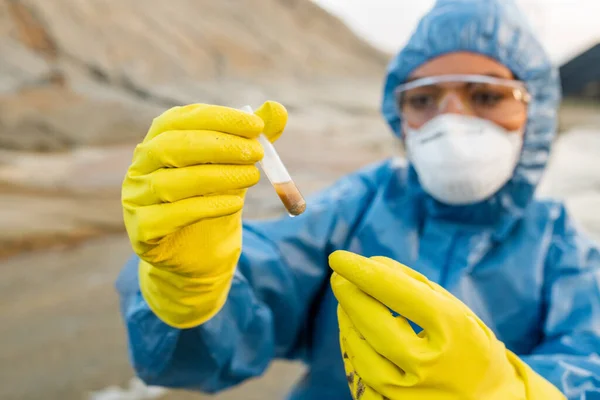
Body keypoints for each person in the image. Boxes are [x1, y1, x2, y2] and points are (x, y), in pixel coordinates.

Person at [116, 0, 600, 399]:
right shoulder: (357, 206)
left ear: (535, 112)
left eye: (488, 96)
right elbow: (213, 342)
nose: (451, 122)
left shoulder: (564, 251)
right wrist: (189, 292)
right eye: (424, 100)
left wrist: (511, 391)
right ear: (399, 113)